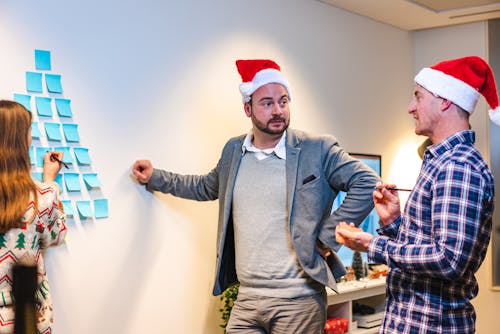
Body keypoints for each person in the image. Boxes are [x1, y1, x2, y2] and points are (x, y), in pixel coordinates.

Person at [132, 59, 380, 333]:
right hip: (247, 299)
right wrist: (155, 177)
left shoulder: (316, 148)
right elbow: (205, 186)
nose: (278, 111)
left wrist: (327, 235)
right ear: (247, 108)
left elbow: (368, 183)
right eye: (267, 103)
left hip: (299, 300)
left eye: (283, 102)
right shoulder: (233, 151)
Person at [337, 56, 500, 333]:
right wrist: (393, 222)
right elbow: (427, 244)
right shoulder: (440, 162)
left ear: (445, 100)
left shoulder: (457, 166)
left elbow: (448, 260)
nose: (411, 107)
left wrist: (372, 245)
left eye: (418, 97)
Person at [0, 100, 67, 333]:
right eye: (29, 131)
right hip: (28, 318)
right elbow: (56, 237)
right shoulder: (42, 195)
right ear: (21, 140)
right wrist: (50, 182)